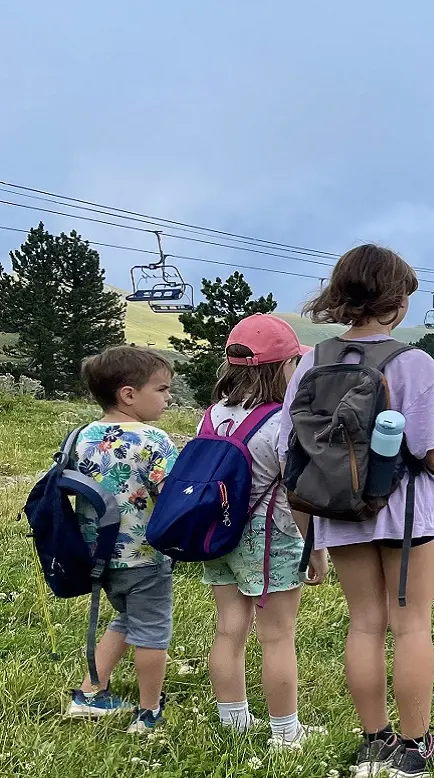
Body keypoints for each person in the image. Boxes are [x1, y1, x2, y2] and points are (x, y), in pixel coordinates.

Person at [277, 245, 434, 778]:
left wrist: (307, 533)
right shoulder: (412, 363)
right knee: (411, 625)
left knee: (364, 624)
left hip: (337, 510)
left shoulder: (312, 360)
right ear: (396, 302)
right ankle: (415, 748)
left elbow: (294, 450)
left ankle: (374, 742)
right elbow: (432, 452)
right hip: (404, 516)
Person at [201, 313, 328, 748]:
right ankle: (285, 733)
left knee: (228, 629)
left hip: (217, 531)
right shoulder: (281, 424)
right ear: (283, 368)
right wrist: (315, 549)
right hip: (269, 536)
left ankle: (233, 720)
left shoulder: (214, 414)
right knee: (277, 636)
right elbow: (296, 494)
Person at [64, 346, 179, 733]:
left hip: (96, 555)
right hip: (145, 556)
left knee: (126, 618)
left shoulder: (80, 437)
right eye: (162, 390)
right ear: (128, 394)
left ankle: (90, 694)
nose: (168, 398)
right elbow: (173, 497)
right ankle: (148, 713)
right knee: (152, 632)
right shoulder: (154, 440)